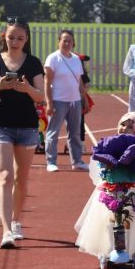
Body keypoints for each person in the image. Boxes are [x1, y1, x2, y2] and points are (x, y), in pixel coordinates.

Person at [0, 16, 45, 248]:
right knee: (6, 176)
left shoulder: (34, 63)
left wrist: (26, 88)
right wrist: (1, 86)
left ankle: (17, 220)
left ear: (26, 39)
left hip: (27, 126)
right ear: (4, 37)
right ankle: (7, 231)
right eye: (11, 37)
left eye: (19, 38)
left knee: (21, 178)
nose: (15, 42)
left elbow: (41, 97)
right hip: (0, 125)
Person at [74, 112, 135, 261]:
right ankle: (109, 248)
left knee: (131, 217)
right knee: (108, 217)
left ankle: (129, 250)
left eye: (131, 126)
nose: (125, 128)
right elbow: (97, 166)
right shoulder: (110, 142)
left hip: (133, 188)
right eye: (122, 124)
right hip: (111, 187)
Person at [44, 29, 90, 172]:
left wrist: (84, 99)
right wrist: (49, 103)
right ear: (59, 41)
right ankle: (51, 161)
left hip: (74, 101)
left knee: (75, 133)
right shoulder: (53, 58)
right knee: (53, 131)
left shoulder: (76, 60)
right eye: (64, 40)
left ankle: (77, 161)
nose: (67, 43)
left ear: (73, 43)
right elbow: (47, 81)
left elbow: (80, 82)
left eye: (69, 41)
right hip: (58, 100)